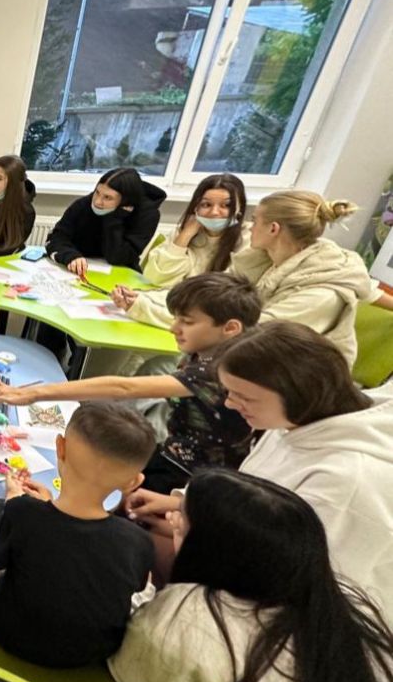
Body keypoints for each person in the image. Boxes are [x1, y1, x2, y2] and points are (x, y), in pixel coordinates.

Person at [125, 322, 393, 615]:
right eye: (229, 392)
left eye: (244, 397)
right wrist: (184, 504)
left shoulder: (348, 482)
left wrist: (195, 539)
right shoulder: (292, 422)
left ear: (297, 393)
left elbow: (302, 592)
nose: (229, 404)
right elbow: (252, 490)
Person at [111, 469, 393, 682]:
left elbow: (132, 673)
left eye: (180, 526)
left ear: (210, 553)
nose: (171, 522)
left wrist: (143, 590)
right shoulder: (347, 612)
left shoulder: (190, 619)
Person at [0, 273, 259, 496]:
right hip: (176, 451)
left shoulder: (218, 369)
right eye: (176, 318)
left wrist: (34, 394)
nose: (174, 328)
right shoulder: (210, 350)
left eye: (186, 322)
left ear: (230, 328)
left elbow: (125, 388)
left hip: (192, 475)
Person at [0, 402, 156, 668]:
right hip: (87, 658)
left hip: (7, 632)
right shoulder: (139, 542)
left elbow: (0, 564)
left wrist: (13, 501)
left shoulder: (22, 512)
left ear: (60, 447)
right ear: (134, 482)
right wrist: (42, 507)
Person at [230, 190, 375, 366]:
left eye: (255, 221)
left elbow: (260, 335)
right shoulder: (269, 260)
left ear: (273, 229)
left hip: (299, 375)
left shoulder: (322, 293)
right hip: (264, 360)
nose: (250, 228)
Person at [114, 173, 249, 329]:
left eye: (226, 205)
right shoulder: (184, 231)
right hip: (175, 310)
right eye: (206, 204)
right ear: (196, 207)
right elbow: (158, 279)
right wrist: (185, 235)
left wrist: (141, 307)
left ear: (239, 208)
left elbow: (216, 308)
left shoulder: (248, 241)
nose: (214, 212)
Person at [46, 167, 166, 275]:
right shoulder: (84, 204)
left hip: (121, 274)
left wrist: (114, 219)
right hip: (78, 270)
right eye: (97, 192)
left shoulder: (147, 215)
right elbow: (56, 237)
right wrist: (70, 256)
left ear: (125, 201)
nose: (97, 201)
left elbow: (118, 258)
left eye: (107, 197)